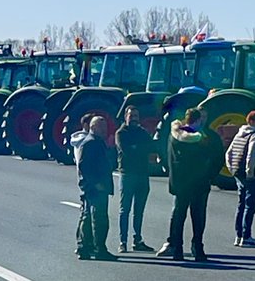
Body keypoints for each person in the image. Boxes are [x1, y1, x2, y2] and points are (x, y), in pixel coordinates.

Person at [158, 108, 223, 261]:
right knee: (198, 216)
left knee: (179, 215)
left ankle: (177, 248)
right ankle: (198, 248)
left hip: (180, 182)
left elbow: (167, 155)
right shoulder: (204, 138)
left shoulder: (174, 135)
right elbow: (217, 158)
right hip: (200, 182)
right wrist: (210, 176)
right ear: (199, 119)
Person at [75, 115, 116, 260]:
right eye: (101, 127)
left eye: (105, 126)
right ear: (92, 127)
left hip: (97, 187)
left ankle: (86, 247)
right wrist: (97, 184)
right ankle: (98, 248)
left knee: (90, 217)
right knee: (99, 219)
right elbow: (85, 167)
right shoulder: (91, 143)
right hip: (95, 188)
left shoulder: (98, 142)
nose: (105, 130)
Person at [116, 106, 155, 253]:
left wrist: (138, 148)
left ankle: (137, 239)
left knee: (139, 211)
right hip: (127, 175)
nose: (134, 118)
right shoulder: (121, 133)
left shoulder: (142, 132)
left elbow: (152, 147)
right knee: (124, 210)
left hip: (143, 175)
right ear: (126, 116)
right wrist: (142, 149)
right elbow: (127, 151)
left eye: (136, 115)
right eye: (131, 115)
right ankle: (123, 241)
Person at [227, 110, 255, 248]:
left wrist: (232, 169)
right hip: (251, 175)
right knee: (250, 206)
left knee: (241, 205)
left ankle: (238, 236)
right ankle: (246, 236)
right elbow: (252, 156)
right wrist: (250, 173)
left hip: (238, 173)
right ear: (252, 121)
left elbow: (229, 153)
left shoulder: (240, 134)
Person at [71, 112, 97, 257]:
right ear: (87, 125)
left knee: (85, 212)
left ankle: (84, 243)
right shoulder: (84, 141)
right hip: (87, 181)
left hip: (85, 180)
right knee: (86, 214)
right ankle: (83, 244)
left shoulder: (83, 140)